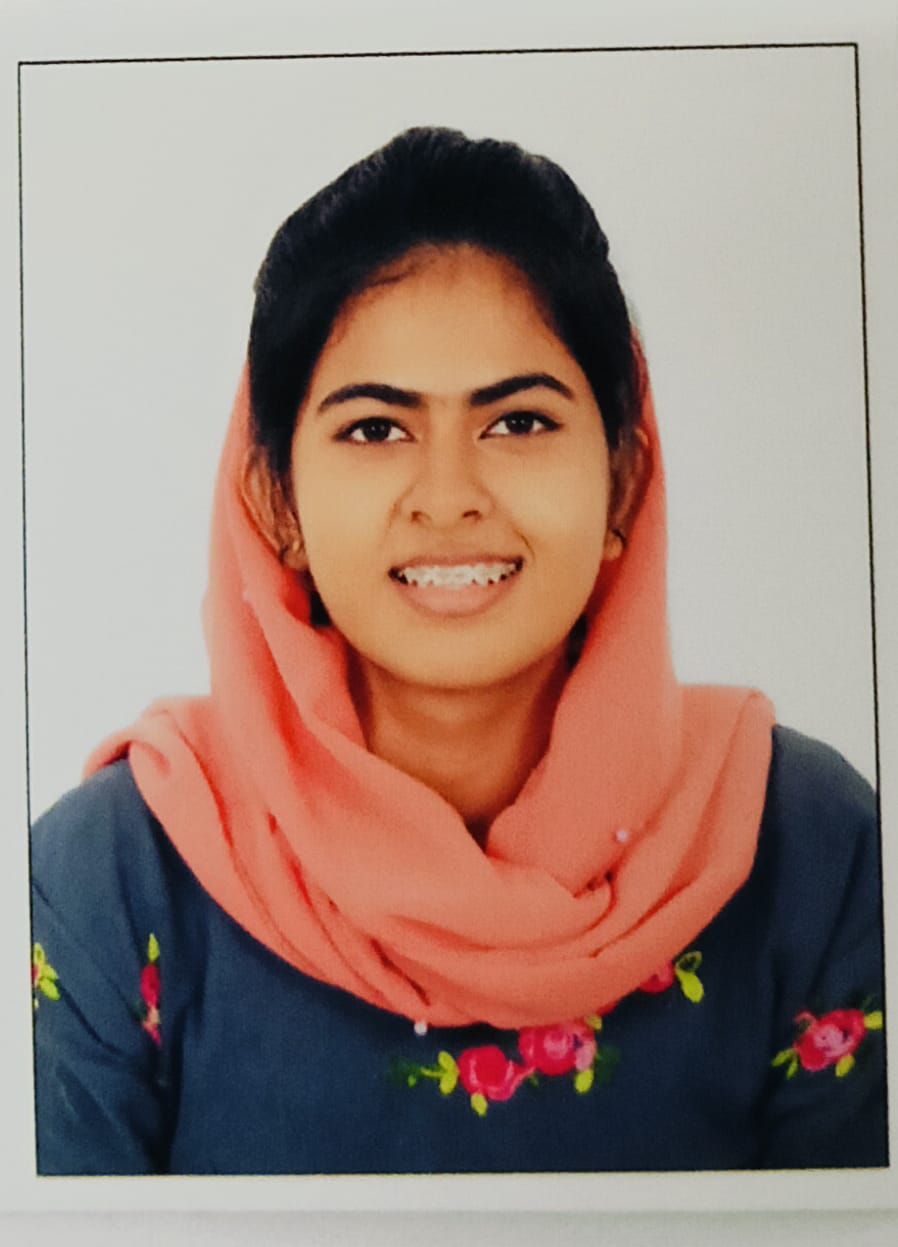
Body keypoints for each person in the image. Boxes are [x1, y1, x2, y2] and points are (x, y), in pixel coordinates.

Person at [30, 127, 886, 1175]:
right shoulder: (114, 879)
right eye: (374, 430)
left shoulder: (809, 850)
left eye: (518, 422)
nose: (448, 499)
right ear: (275, 501)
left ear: (623, 480)